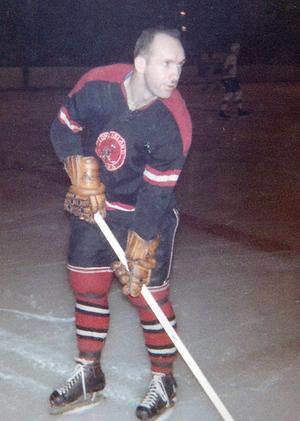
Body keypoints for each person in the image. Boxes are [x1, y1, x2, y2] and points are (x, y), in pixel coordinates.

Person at [49, 26, 192, 420]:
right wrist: (74, 166)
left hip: (146, 207)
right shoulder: (96, 86)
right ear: (140, 62)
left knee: (144, 294)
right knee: (87, 285)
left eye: (179, 64)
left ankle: (164, 379)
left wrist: (141, 242)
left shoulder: (172, 120)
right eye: (166, 63)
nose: (175, 73)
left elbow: (157, 192)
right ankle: (88, 373)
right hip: (94, 203)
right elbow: (63, 128)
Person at [219, 42, 250, 118]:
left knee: (238, 93)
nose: (238, 51)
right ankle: (222, 112)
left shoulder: (230, 56)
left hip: (231, 77)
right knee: (229, 94)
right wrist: (225, 74)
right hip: (230, 78)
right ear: (235, 49)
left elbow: (228, 67)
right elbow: (230, 66)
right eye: (238, 49)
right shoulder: (233, 57)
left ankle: (239, 111)